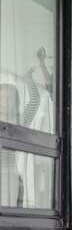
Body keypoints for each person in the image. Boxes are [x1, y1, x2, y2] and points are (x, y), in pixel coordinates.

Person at [0, 64, 42, 206]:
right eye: (2, 97)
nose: (5, 101)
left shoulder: (18, 122)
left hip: (8, 174)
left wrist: (27, 77)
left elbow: (35, 101)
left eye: (9, 98)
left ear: (15, 101)